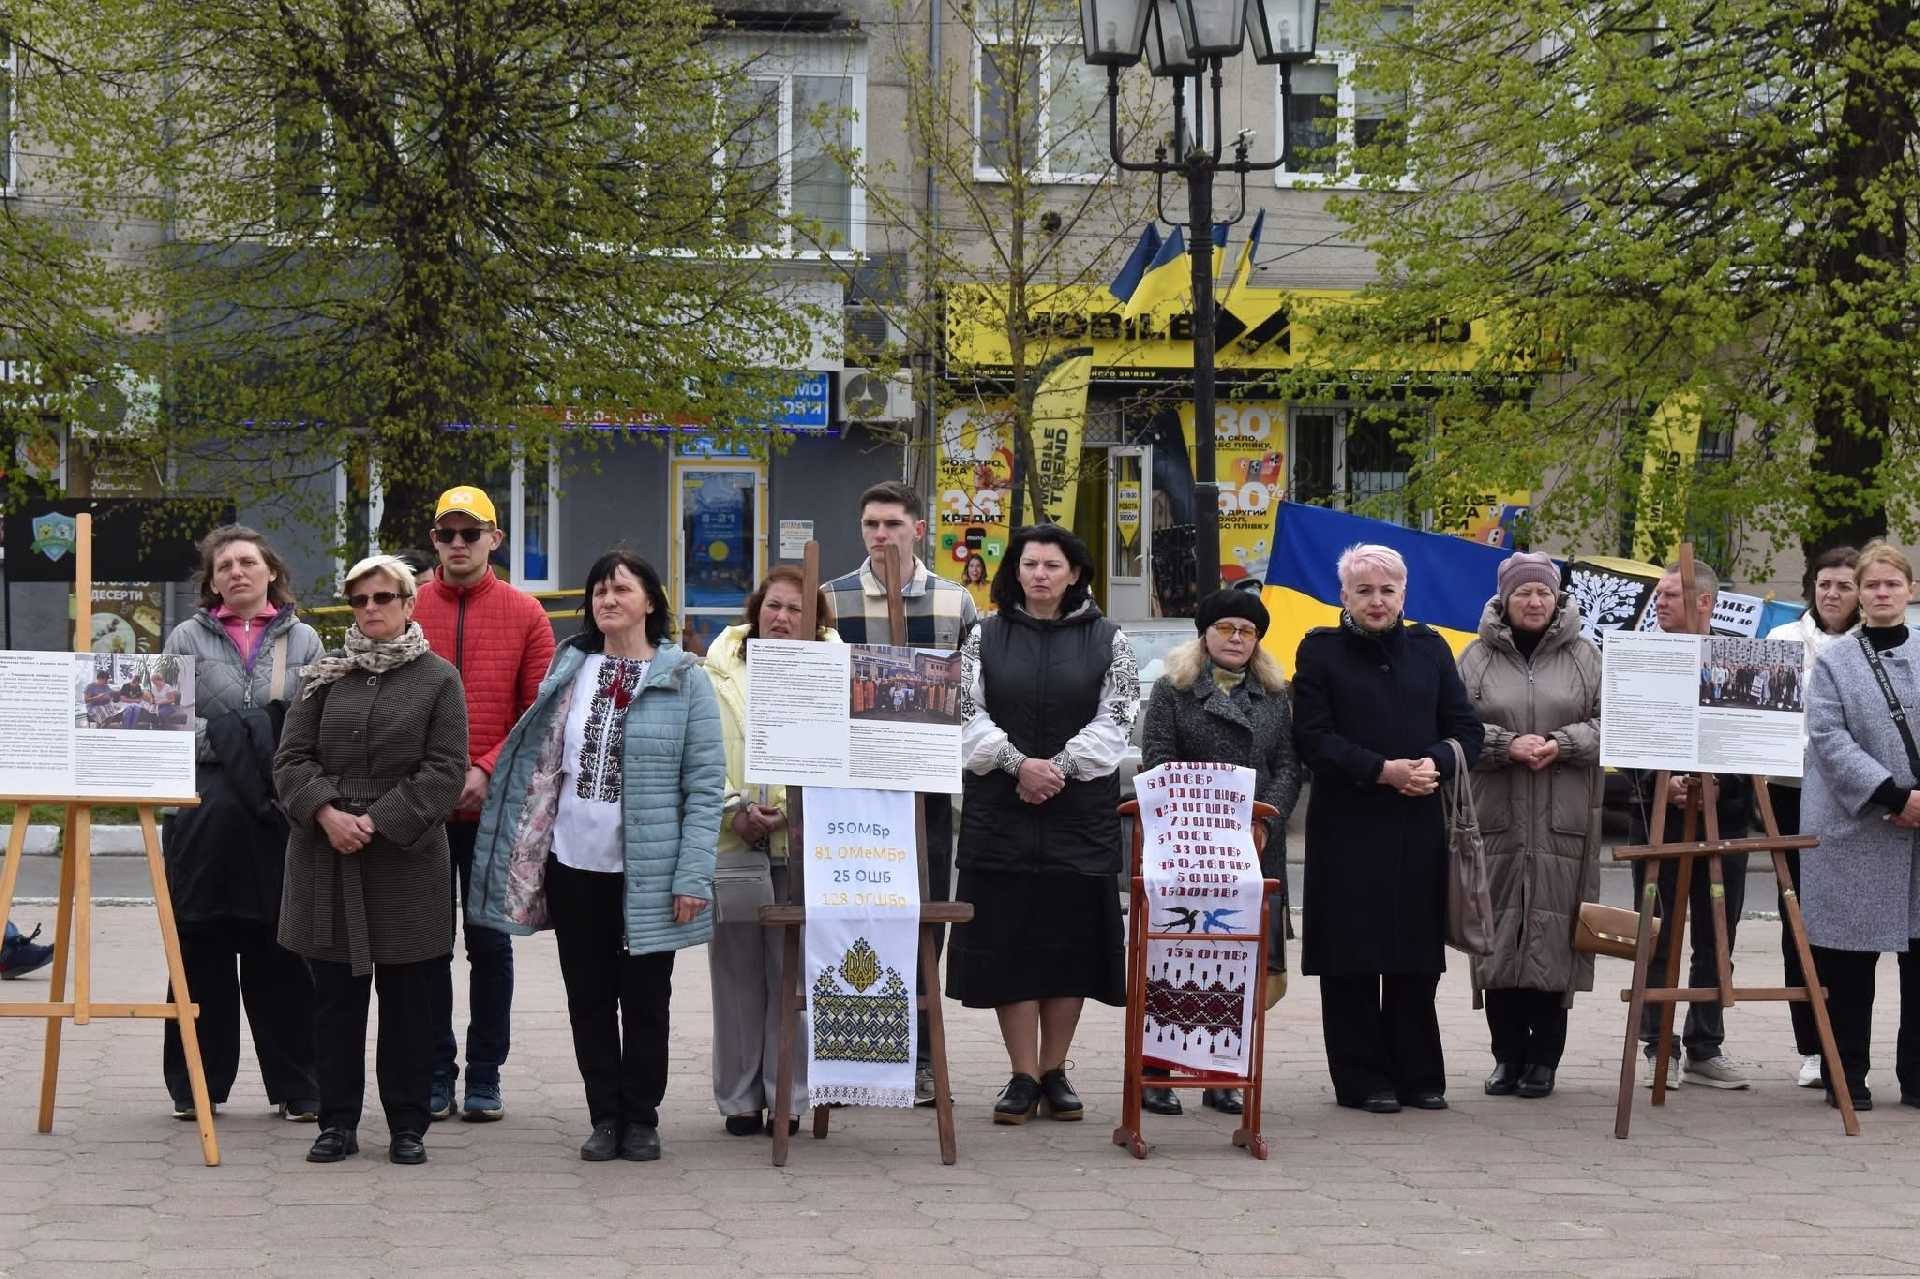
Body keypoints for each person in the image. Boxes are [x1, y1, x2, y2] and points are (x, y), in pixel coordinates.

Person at [469, 551, 723, 1162]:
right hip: (574, 865)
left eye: (621, 590)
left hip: (649, 871)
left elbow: (706, 784)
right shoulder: (572, 666)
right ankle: (603, 1115)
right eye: (599, 591)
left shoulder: (684, 677)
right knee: (586, 996)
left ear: (651, 601)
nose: (607, 601)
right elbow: (538, 757)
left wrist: (692, 875)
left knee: (645, 998)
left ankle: (642, 1116)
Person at [274, 555, 468, 1166]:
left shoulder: (440, 679)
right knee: (333, 1004)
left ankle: (408, 1125)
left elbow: (444, 771)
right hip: (325, 857)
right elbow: (290, 760)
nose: (372, 610)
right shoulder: (323, 675)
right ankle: (336, 1123)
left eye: (384, 597)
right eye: (360, 601)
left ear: (410, 604)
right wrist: (327, 814)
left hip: (406, 866)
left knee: (411, 1005)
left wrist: (378, 821)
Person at [949, 524, 1137, 1124]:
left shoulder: (1111, 638)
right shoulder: (984, 635)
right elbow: (961, 711)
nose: (1040, 574)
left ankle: (1056, 1069)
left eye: (1053, 565)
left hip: (1078, 816)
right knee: (1009, 943)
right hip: (1001, 814)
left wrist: (1055, 768)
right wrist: (1015, 764)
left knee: (1068, 944)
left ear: (1075, 572)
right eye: (1030, 563)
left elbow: (1120, 717)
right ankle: (1022, 1074)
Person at [1291, 543, 1483, 1113]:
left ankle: (1419, 1073)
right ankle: (1362, 1078)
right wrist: (1380, 771)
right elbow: (1313, 738)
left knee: (1413, 956)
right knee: (1352, 958)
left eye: (1387, 590)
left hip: (1417, 824)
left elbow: (1466, 730)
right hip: (1348, 827)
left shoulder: (1430, 649)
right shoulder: (1319, 651)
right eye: (1364, 591)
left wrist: (1434, 762)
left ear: (1404, 594)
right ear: (1344, 596)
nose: (1377, 601)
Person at [159, 525, 323, 1123]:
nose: (236, 571)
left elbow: (313, 727)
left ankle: (299, 1086)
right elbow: (164, 725)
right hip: (199, 822)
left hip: (278, 823)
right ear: (212, 580)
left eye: (247, 561)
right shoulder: (184, 636)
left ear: (271, 571)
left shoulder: (305, 640)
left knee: (281, 956)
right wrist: (247, 736)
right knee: (198, 954)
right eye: (223, 564)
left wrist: (251, 737)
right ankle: (196, 1087)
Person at [823, 479, 978, 1105]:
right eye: (870, 524)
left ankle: (918, 1057)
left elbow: (971, 697)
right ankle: (845, 1053)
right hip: (847, 790)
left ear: (919, 528)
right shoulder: (829, 599)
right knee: (845, 915)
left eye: (891, 524)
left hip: (926, 793)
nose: (880, 535)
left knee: (920, 919)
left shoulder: (954, 602)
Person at [414, 484, 556, 1123]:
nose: (459, 544)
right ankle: (435, 1070)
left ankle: (485, 1075)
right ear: (435, 541)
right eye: (447, 534)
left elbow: (540, 712)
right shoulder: (408, 607)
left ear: (495, 539)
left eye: (471, 533)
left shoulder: (527, 613)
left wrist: (485, 770)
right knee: (425, 948)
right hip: (419, 810)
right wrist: (427, 780)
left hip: (494, 809)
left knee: (490, 947)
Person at [1138, 588, 1300, 1117]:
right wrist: (1212, 821)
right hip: (1189, 849)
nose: (1236, 639)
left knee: (1239, 963)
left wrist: (1263, 820)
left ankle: (1223, 1073)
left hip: (1254, 853)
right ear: (1205, 635)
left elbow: (1288, 769)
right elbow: (1160, 761)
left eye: (1247, 631)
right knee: (1176, 956)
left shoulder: (1276, 696)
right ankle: (1156, 1072)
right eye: (1226, 628)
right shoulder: (1172, 690)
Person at [1457, 552, 1603, 1101]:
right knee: (1495, 941)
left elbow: (1610, 723)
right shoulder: (1474, 658)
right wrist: (1504, 744)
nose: (1534, 601)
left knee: (1556, 940)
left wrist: (1563, 744)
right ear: (1505, 599)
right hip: (1496, 818)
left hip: (1565, 821)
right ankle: (1505, 1056)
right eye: (1523, 593)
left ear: (1558, 597)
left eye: (1543, 592)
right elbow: (1455, 725)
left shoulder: (1587, 657)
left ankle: (1544, 1060)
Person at [704, 567, 837, 1136]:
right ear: (756, 610)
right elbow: (702, 752)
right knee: (736, 976)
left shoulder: (836, 672)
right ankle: (738, 1100)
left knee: (796, 976)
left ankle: (791, 1094)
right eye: (773, 606)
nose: (781, 618)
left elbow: (840, 753)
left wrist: (789, 806)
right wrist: (733, 808)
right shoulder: (716, 673)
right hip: (733, 839)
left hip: (804, 844)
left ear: (815, 622)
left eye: (795, 610)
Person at [1801, 542, 1920, 1112]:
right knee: (1849, 968)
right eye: (1870, 586)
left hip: (1919, 836)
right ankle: (1845, 1075)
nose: (1880, 594)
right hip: (1859, 832)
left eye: (1891, 585)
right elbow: (1827, 738)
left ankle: (1918, 1077)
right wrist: (1891, 795)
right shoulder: (1834, 660)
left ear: (1909, 590)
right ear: (1859, 595)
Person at [1628, 559, 1754, 1091]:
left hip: (1724, 821)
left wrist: (1722, 784)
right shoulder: (1639, 657)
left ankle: (1706, 1043)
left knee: (1717, 934)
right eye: (1658, 594)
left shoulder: (1743, 659)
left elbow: (1756, 736)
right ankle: (1658, 1043)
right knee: (1658, 934)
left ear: (1705, 602)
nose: (1659, 602)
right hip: (1659, 819)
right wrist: (1665, 784)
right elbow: (1626, 734)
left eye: (1671, 594)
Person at [1764, 546, 1859, 1089]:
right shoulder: (1782, 643)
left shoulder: (1870, 647)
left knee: (1844, 921)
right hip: (1788, 790)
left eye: (1844, 585)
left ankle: (1845, 1040)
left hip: (1851, 795)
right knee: (1796, 916)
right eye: (1825, 584)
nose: (1833, 594)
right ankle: (1810, 1047)